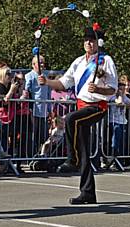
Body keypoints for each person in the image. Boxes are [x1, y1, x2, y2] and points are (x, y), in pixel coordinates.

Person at [38, 28, 117, 204]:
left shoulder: (105, 61)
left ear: (99, 43)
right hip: (82, 107)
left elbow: (113, 88)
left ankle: (71, 159)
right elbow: (64, 83)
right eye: (86, 40)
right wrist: (46, 82)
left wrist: (98, 89)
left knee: (71, 119)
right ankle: (88, 191)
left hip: (97, 107)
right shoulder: (79, 62)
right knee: (84, 150)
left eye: (93, 40)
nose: (89, 43)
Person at [25, 55, 51, 156]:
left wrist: (49, 109)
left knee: (43, 135)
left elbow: (48, 93)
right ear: (33, 65)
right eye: (39, 63)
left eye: (43, 62)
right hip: (33, 110)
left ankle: (42, 155)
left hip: (44, 110)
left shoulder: (46, 76)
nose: (42, 65)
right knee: (33, 135)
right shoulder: (29, 76)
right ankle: (31, 156)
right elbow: (26, 92)